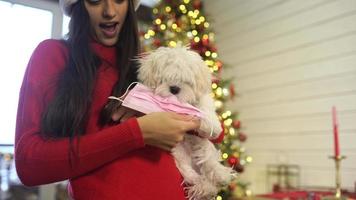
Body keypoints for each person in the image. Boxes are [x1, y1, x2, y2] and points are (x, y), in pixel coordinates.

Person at [14, 0, 204, 199]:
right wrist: (138, 132)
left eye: (119, 0)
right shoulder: (54, 54)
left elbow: (214, 129)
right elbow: (29, 165)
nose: (110, 12)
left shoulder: (144, 66)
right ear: (78, 7)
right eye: (95, 1)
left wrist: (194, 122)